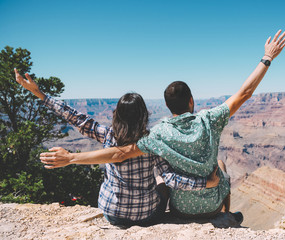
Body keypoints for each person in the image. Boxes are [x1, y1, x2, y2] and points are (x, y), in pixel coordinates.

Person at [40, 29, 285, 220]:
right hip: (210, 204)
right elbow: (244, 93)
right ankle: (225, 215)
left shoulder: (158, 134)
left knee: (162, 176)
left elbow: (119, 152)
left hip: (179, 208)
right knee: (220, 166)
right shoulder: (210, 118)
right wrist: (267, 57)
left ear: (167, 108)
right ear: (191, 101)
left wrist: (71, 157)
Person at [14, 69, 220, 226]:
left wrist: (41, 94)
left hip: (112, 214)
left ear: (117, 115)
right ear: (144, 116)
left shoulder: (107, 135)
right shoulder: (151, 143)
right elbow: (170, 178)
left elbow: (75, 117)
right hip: (146, 215)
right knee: (161, 184)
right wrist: (205, 183)